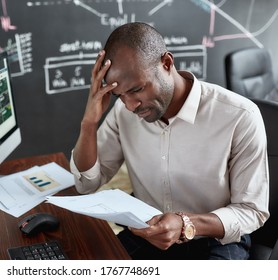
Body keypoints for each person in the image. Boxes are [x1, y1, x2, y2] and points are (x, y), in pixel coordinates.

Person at [70, 22, 270, 260]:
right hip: (145, 236)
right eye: (119, 95)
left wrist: (185, 223)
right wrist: (88, 124)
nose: (130, 105)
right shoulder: (123, 113)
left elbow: (252, 211)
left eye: (137, 89)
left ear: (166, 63)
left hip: (214, 239)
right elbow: (86, 184)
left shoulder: (239, 116)